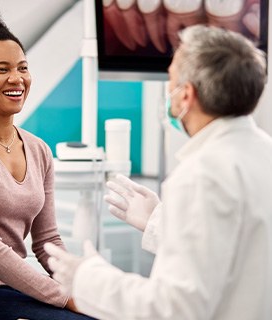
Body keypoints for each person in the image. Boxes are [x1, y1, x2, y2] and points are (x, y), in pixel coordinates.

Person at [44, 25, 272, 320]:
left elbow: (172, 309)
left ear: (186, 95)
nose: (168, 91)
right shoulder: (263, 153)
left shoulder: (200, 175)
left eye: (171, 80)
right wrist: (157, 222)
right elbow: (238, 251)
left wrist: (87, 278)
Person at [0, 8, 95, 320]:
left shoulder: (39, 149)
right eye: (2, 69)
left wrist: (81, 284)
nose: (16, 79)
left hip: (19, 286)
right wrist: (66, 298)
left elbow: (47, 242)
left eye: (23, 68)